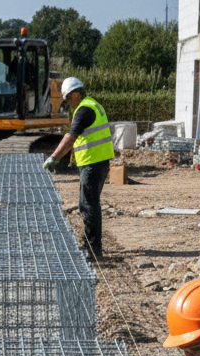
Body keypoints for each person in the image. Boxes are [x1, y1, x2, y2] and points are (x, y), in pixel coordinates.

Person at [43, 77, 114, 258]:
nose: (68, 103)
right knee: (87, 204)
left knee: (89, 206)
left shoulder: (84, 109)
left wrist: (54, 157)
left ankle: (93, 249)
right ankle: (91, 244)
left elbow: (70, 138)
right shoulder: (93, 104)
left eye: (68, 98)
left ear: (75, 94)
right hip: (97, 162)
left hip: (93, 163)